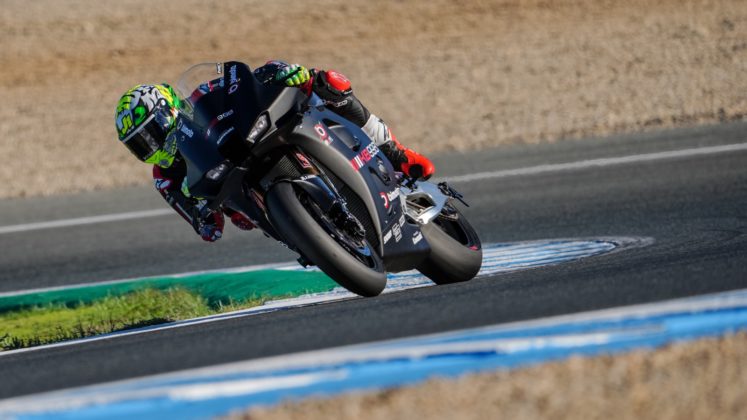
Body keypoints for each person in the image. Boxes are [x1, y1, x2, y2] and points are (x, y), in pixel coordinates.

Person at [114, 61, 435, 242]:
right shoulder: (165, 177)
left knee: (328, 82)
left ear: (169, 109)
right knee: (244, 219)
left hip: (259, 136)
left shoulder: (203, 95)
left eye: (151, 134)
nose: (152, 148)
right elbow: (209, 231)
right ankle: (311, 237)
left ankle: (396, 153)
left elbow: (247, 83)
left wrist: (280, 72)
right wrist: (200, 210)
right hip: (250, 198)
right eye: (140, 146)